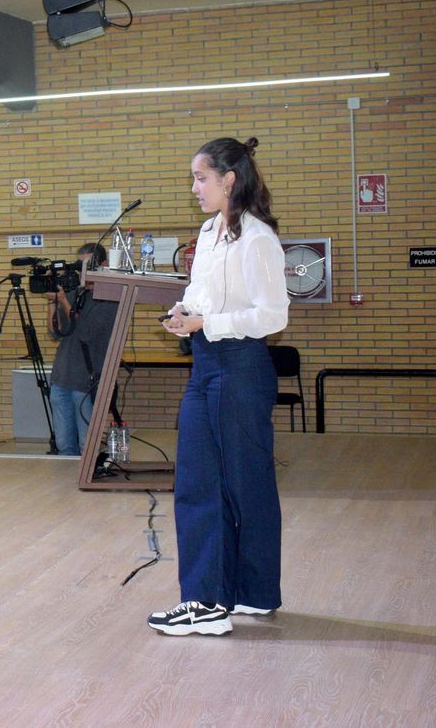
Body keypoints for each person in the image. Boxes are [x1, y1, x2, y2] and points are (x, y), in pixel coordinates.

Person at [149, 137, 290, 639]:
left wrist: (207, 322)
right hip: (207, 365)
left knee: (242, 483)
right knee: (199, 480)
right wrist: (184, 314)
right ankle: (233, 595)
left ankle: (214, 601)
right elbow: (199, 296)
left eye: (201, 178)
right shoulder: (209, 232)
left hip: (240, 366)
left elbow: (273, 316)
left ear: (229, 180)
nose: (195, 188)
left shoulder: (256, 239)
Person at [46, 243, 118, 457]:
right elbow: (56, 332)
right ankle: (64, 487)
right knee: (63, 444)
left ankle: (86, 482)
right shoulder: (74, 293)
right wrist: (52, 302)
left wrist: (64, 302)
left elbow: (86, 332)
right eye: (81, 266)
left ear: (104, 265)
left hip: (87, 379)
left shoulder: (111, 299)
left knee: (88, 444)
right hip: (62, 376)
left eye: (89, 265)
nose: (84, 272)